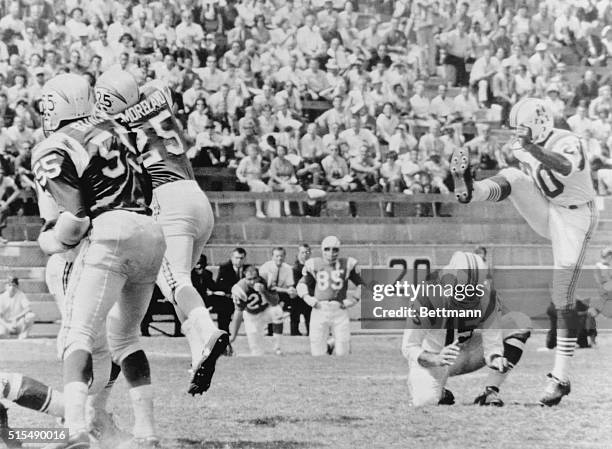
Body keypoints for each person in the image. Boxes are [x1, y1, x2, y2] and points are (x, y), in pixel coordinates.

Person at [33, 73, 166, 447]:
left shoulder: (55, 143)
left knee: (78, 334)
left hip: (109, 232)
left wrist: (49, 241)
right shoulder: (116, 127)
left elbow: (74, 221)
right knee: (127, 337)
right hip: (151, 231)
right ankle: (147, 431)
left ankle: (76, 428)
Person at [450, 98, 598, 406]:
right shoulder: (520, 147)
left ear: (538, 122)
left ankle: (560, 377)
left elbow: (565, 166)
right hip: (549, 211)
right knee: (514, 177)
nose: (517, 133)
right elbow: (531, 181)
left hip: (576, 217)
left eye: (522, 127)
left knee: (563, 296)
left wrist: (532, 149)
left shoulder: (567, 139)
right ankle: (472, 191)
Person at [95, 70, 228, 396]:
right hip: (198, 198)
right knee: (180, 286)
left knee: (175, 280)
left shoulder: (113, 126)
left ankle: (208, 330)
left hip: (168, 202)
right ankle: (199, 352)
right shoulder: (158, 98)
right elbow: (155, 89)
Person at [401, 251, 532, 407]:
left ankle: (490, 392)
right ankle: (438, 390)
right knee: (425, 401)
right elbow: (409, 346)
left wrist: (497, 359)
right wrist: (435, 358)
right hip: (434, 357)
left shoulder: (487, 296)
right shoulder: (426, 297)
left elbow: (492, 345)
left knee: (519, 322)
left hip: (467, 351)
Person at [297, 236, 362, 356]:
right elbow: (301, 284)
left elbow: (362, 285)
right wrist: (308, 298)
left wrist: (353, 300)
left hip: (339, 309)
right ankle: (328, 349)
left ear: (339, 250)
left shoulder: (347, 264)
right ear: (322, 250)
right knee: (317, 350)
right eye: (327, 249)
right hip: (320, 308)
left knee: (343, 350)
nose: (331, 253)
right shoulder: (314, 264)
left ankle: (333, 347)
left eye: (335, 249)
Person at [229, 266, 284, 356]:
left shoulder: (267, 280)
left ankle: (277, 347)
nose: (253, 282)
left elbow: (275, 302)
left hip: (266, 311)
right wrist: (233, 336)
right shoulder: (240, 288)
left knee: (277, 310)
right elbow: (238, 313)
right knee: (257, 352)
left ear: (259, 277)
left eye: (255, 278)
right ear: (244, 278)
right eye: (249, 279)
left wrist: (264, 292)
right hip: (251, 316)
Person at [214, 247, 248, 353]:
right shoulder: (224, 268)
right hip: (228, 298)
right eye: (237, 258)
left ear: (244, 259)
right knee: (223, 310)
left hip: (244, 300)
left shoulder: (249, 269)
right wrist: (234, 291)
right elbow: (220, 285)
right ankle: (223, 343)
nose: (239, 261)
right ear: (232, 258)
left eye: (241, 258)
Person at [259, 247, 297, 337]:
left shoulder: (288, 268)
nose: (279, 258)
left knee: (295, 297)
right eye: (277, 256)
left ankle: (295, 331)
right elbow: (268, 288)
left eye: (281, 256)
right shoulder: (265, 267)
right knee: (271, 301)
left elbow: (290, 285)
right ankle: (269, 330)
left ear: (284, 257)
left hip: (281, 294)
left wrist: (292, 291)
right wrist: (287, 290)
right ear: (272, 257)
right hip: (267, 293)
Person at [292, 243, 312, 335]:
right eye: (303, 252)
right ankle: (295, 332)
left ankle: (309, 331)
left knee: (309, 319)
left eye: (307, 252)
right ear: (298, 254)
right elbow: (296, 284)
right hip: (297, 297)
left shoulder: (312, 266)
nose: (305, 254)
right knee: (295, 318)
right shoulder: (295, 268)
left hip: (309, 295)